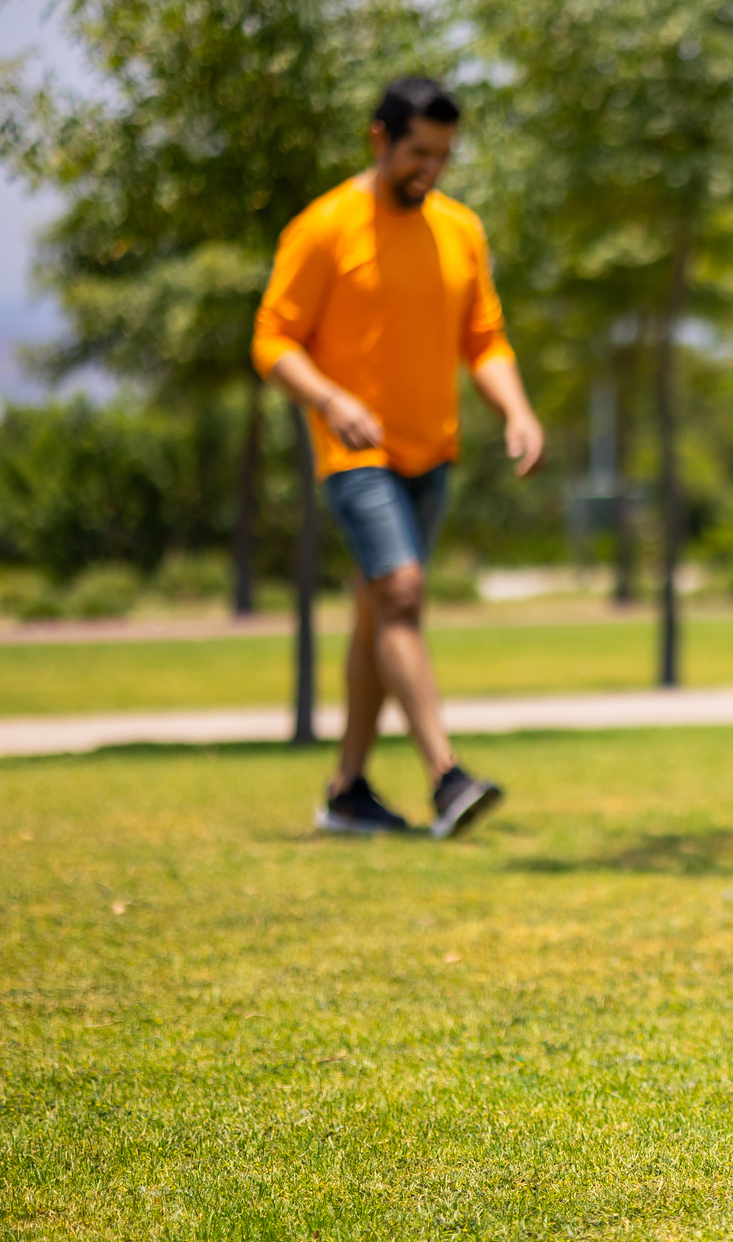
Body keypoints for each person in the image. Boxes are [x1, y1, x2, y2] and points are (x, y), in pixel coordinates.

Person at [253, 77, 544, 838]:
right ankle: (446, 777)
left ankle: (347, 791)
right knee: (403, 595)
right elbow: (272, 340)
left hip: (432, 452)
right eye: (418, 152)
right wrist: (330, 400)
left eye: (443, 155)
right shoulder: (324, 227)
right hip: (355, 452)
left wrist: (515, 411)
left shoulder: (459, 229)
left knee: (377, 613)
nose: (431, 169)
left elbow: (484, 340)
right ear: (379, 137)